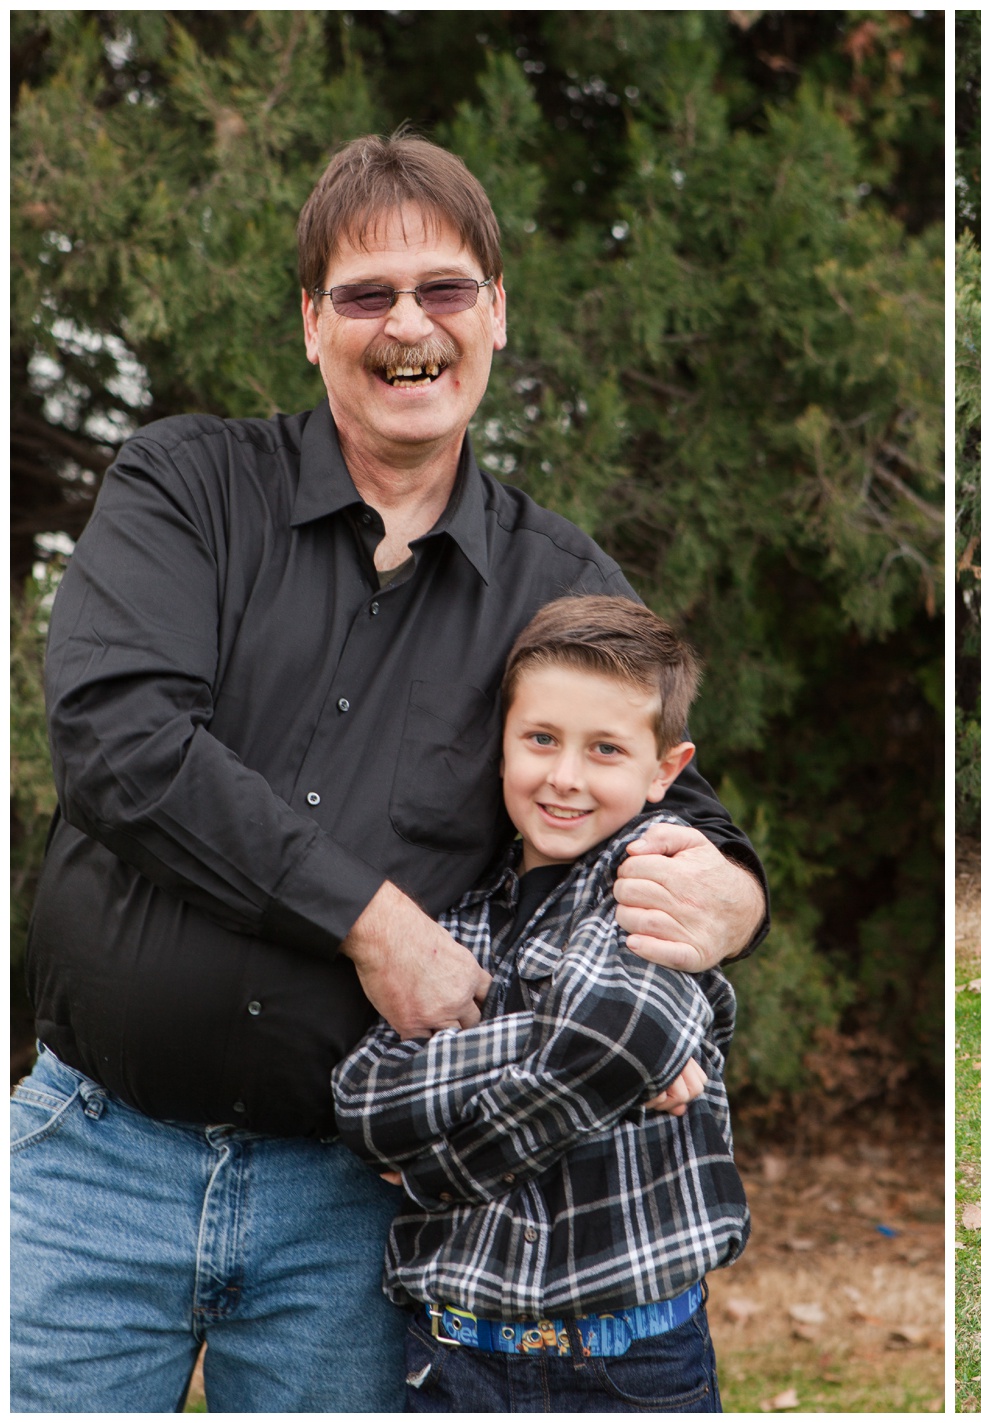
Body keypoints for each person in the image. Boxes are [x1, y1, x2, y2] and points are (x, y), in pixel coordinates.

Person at [12, 132, 767, 1413]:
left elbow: (666, 799)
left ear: (496, 315)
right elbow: (117, 740)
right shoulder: (187, 485)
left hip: (360, 1214)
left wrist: (729, 899)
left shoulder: (557, 580)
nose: (408, 325)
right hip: (96, 1164)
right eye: (366, 294)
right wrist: (375, 925)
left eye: (445, 290)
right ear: (312, 325)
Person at [335, 596, 746, 1411]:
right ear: (503, 743)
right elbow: (365, 1098)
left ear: (665, 767)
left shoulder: (656, 880)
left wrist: (433, 1175)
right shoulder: (454, 904)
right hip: (454, 1357)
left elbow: (616, 1042)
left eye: (605, 749)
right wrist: (563, 1043)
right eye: (542, 740)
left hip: (628, 1360)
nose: (565, 776)